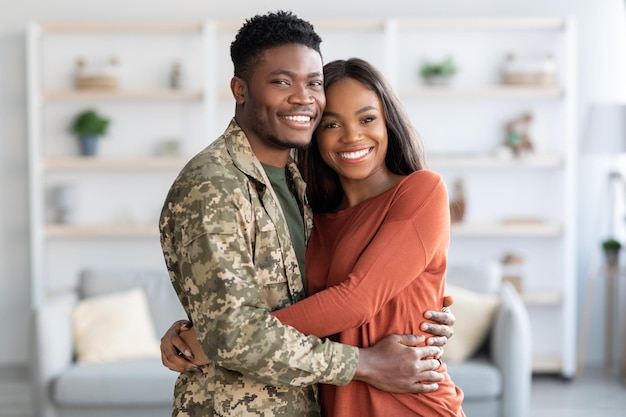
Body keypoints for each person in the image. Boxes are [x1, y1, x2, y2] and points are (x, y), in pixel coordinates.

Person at [159, 10, 454, 417]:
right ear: (239, 89)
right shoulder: (215, 184)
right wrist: (212, 338)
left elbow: (352, 296)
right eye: (282, 81)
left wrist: (426, 307)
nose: (302, 98)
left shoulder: (302, 189)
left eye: (313, 83)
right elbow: (236, 324)